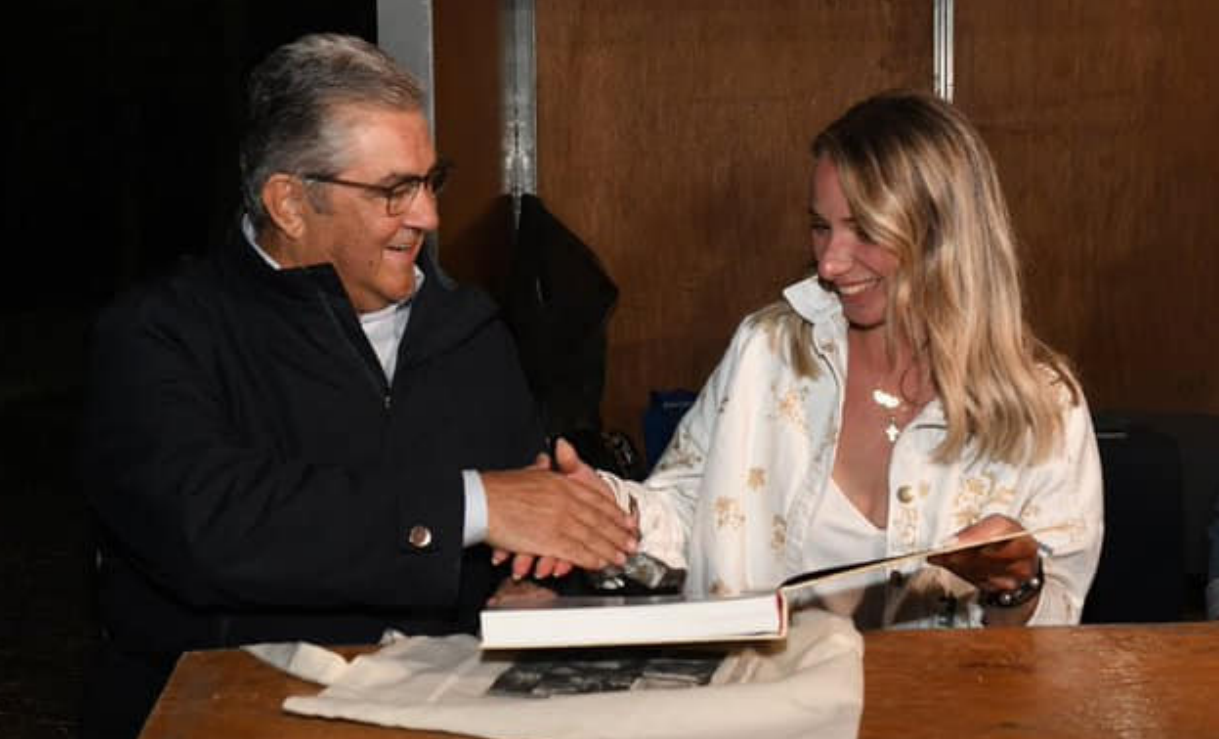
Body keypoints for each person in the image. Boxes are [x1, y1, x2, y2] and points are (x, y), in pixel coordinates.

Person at [78, 33, 636, 738]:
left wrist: (538, 572)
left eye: (431, 181)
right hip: (233, 712)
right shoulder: (160, 334)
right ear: (289, 202)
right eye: (394, 191)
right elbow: (210, 526)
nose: (428, 216)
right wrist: (474, 505)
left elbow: (516, 524)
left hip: (444, 708)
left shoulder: (467, 328)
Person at [558, 90, 1103, 629]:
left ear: (945, 235)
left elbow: (1057, 636)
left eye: (865, 230)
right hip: (762, 685)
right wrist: (602, 508)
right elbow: (685, 512)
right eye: (821, 227)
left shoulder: (1044, 407)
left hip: (944, 692)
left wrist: (1016, 585)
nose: (830, 264)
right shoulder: (769, 350)